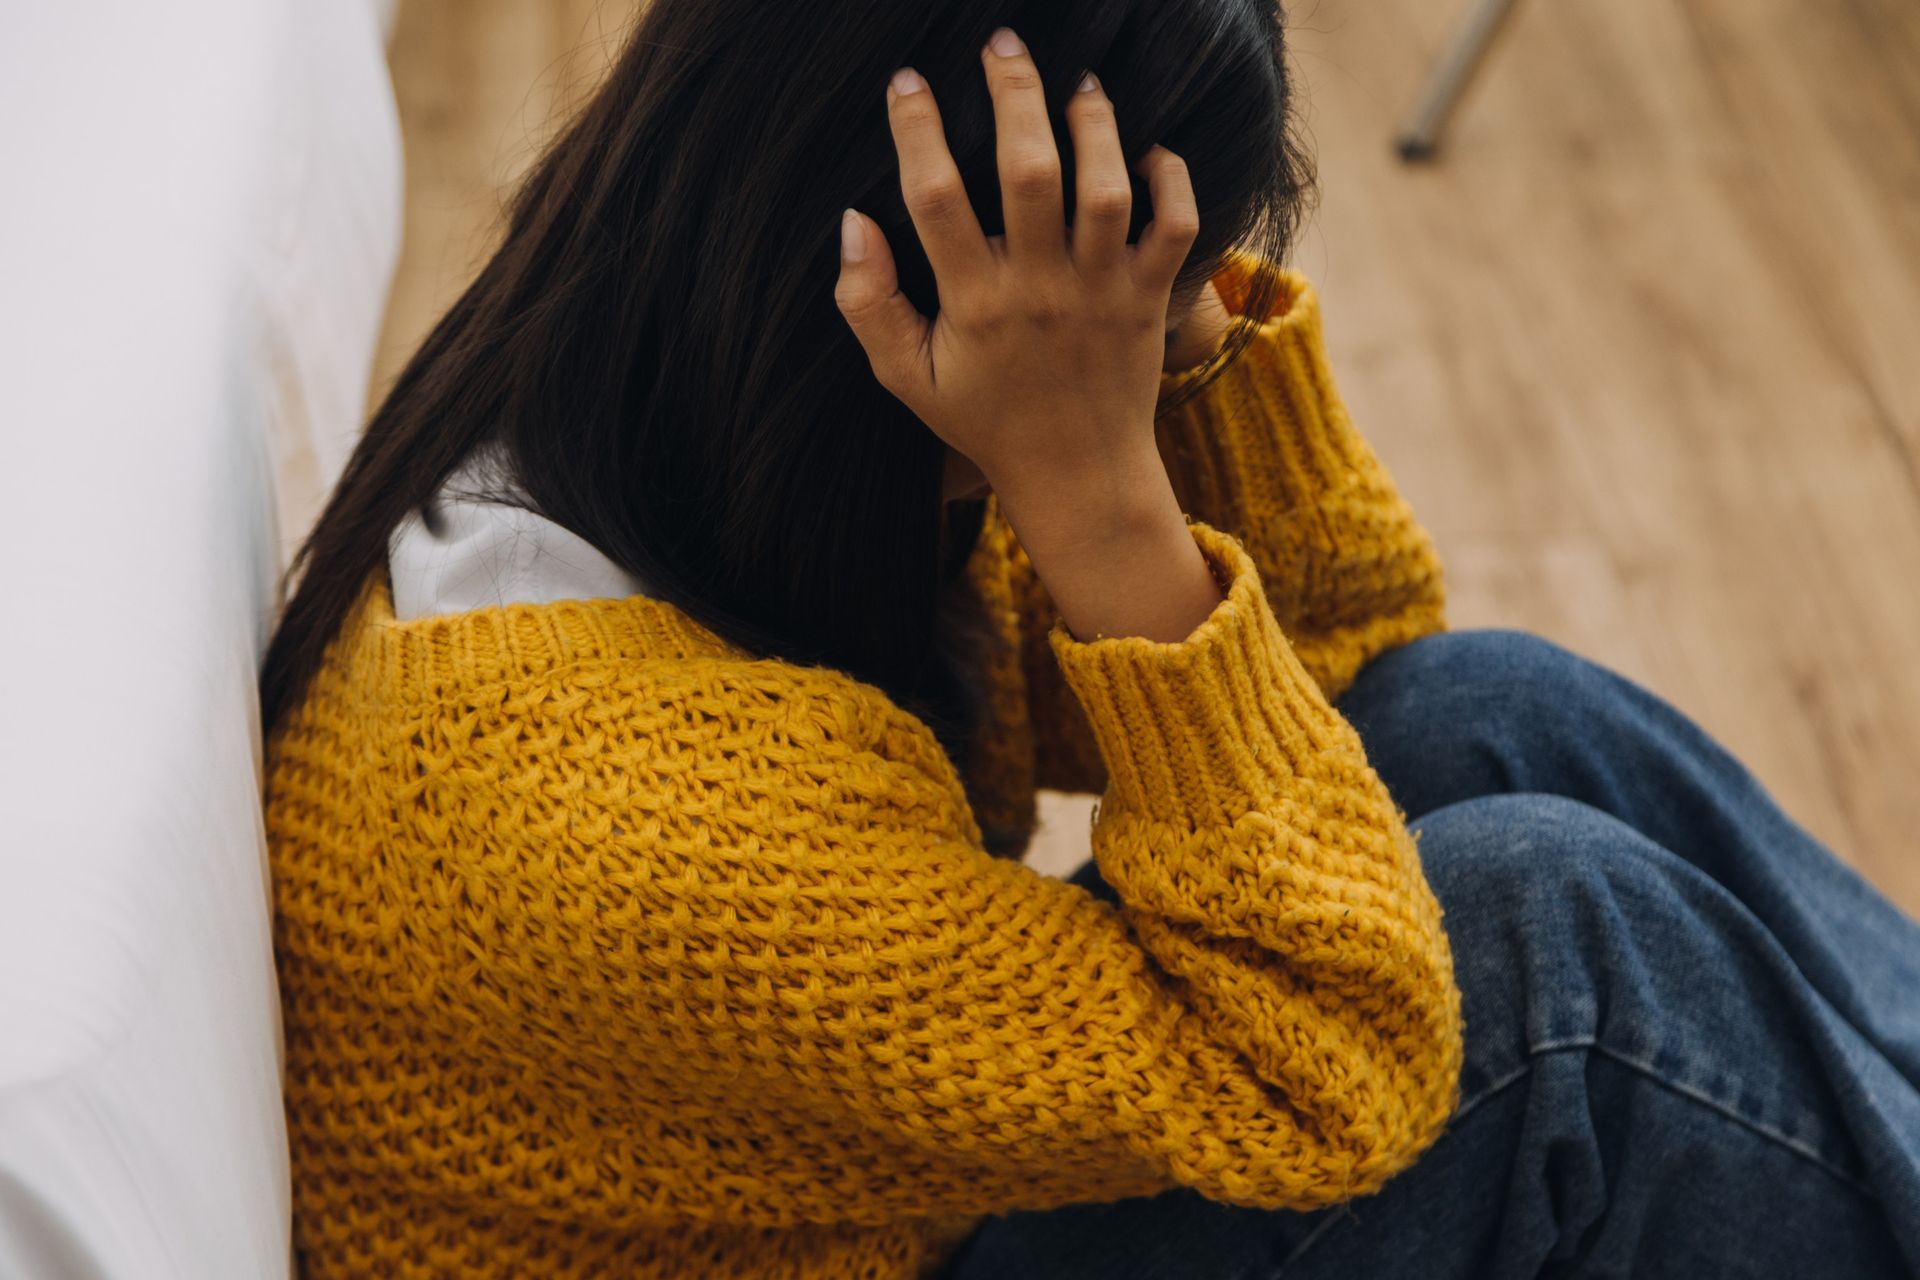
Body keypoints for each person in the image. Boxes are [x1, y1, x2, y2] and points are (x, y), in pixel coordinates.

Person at [258, 1, 1920, 1276]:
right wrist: (1099, 485)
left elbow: (1348, 659)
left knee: (1475, 709)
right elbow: (1326, 1066)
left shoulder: (673, 416)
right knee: (1542, 948)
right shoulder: (628, 810)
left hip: (862, 1210)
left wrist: (1175, 356)